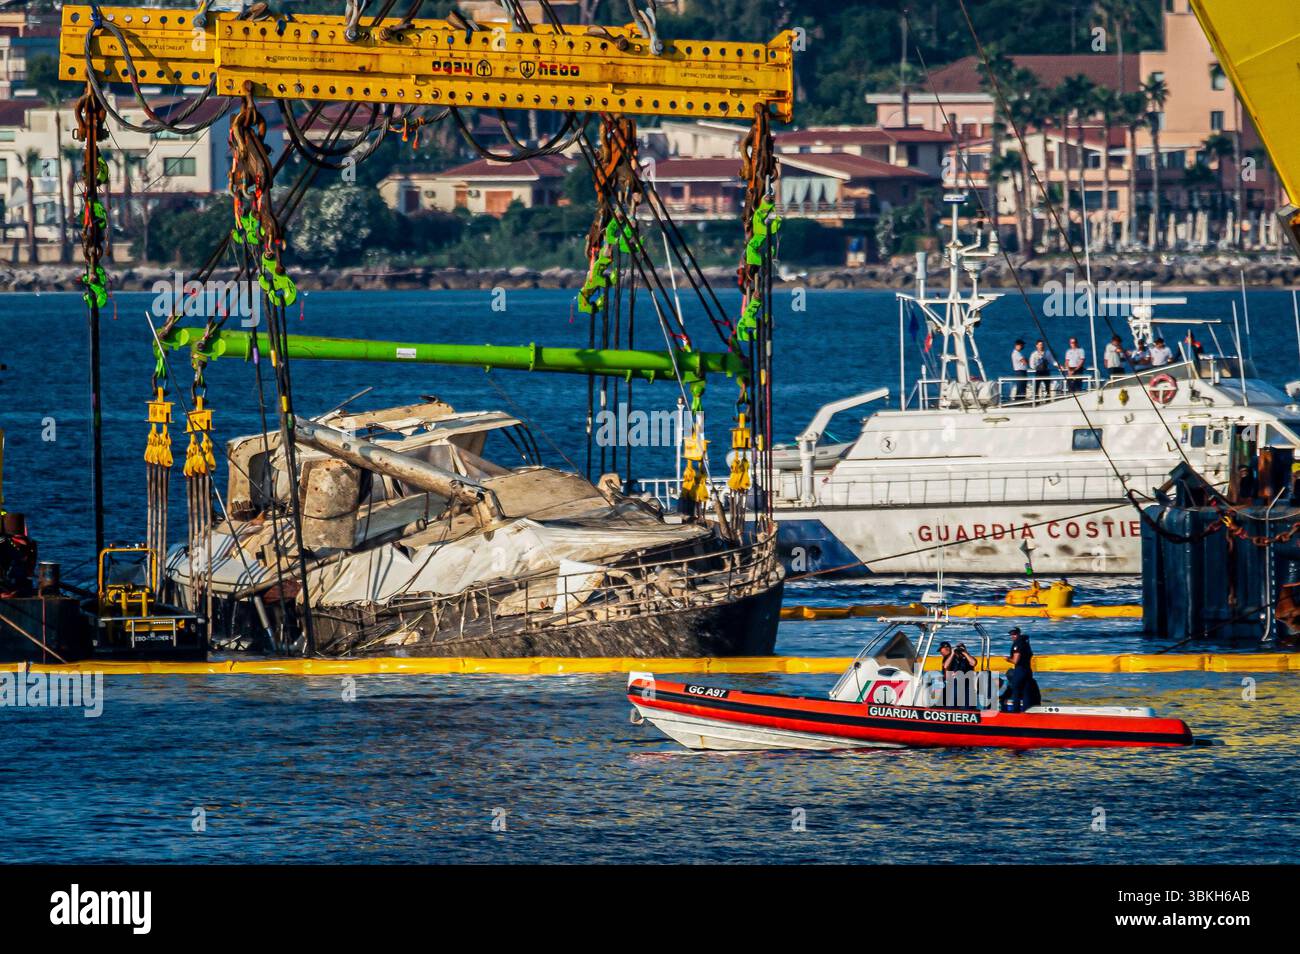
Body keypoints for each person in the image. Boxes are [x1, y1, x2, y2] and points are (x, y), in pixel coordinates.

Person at [1002, 626, 1035, 713]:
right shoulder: (1026, 643)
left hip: (1020, 670)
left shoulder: (1018, 644)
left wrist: (1007, 659)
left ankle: (1015, 711)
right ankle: (1026, 711)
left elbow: (1016, 660)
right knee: (1026, 691)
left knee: (1016, 690)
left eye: (1014, 634)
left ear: (1018, 634)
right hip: (1028, 669)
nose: (1012, 636)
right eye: (1011, 634)